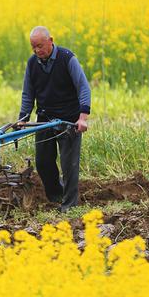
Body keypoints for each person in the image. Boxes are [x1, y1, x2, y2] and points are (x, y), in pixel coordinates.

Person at [19, 26, 91, 212]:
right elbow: (28, 93)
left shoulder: (67, 58)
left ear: (51, 40)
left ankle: (69, 205)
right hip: (44, 117)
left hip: (69, 120)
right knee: (43, 162)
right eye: (33, 47)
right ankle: (57, 195)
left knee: (69, 166)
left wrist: (82, 118)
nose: (37, 51)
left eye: (40, 46)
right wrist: (23, 118)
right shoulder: (32, 63)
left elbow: (83, 88)